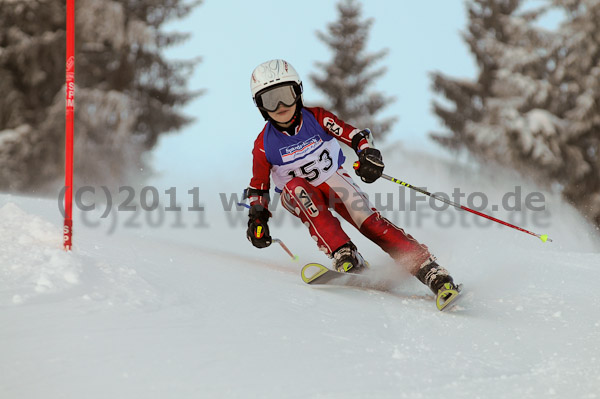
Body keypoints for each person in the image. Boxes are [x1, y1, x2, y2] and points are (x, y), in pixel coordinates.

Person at [245, 59, 459, 297]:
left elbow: (353, 135)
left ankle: (429, 269)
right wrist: (258, 218)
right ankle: (343, 252)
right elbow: (258, 187)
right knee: (297, 188)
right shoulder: (264, 146)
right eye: (270, 100)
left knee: (369, 222)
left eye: (286, 94)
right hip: (298, 195)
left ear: (298, 92)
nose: (281, 105)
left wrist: (368, 153)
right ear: (260, 106)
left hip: (332, 179)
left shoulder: (317, 118)